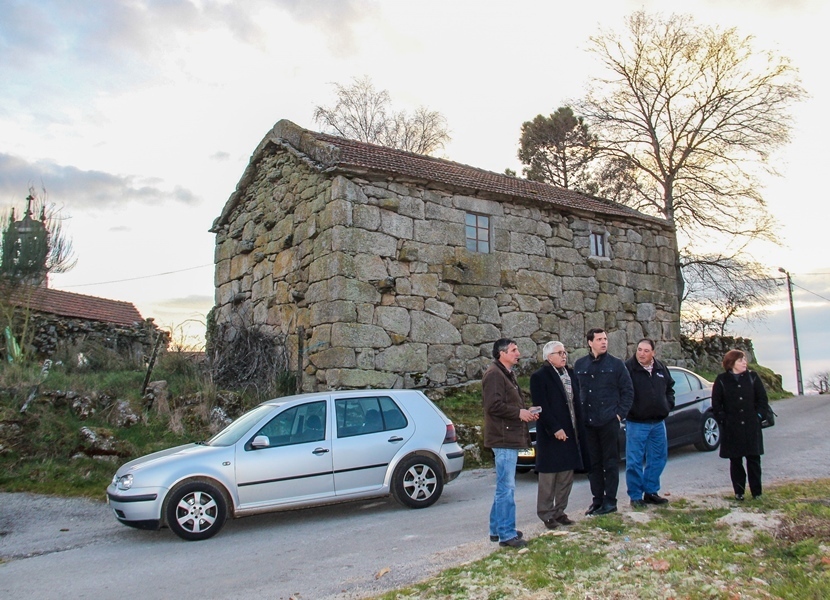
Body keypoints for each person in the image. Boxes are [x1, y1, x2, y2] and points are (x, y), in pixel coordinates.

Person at [482, 338, 539, 548]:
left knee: (503, 486)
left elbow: (506, 403)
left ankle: (497, 529)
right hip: (503, 438)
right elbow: (493, 406)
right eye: (514, 350)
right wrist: (519, 413)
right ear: (502, 353)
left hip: (508, 436)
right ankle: (507, 533)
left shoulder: (506, 374)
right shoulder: (494, 375)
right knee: (506, 487)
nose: (518, 353)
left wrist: (525, 411)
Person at [573, 328, 634, 515]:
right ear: (590, 342)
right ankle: (597, 500)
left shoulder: (616, 364)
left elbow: (628, 391)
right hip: (588, 423)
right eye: (599, 339)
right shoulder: (580, 364)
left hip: (608, 421)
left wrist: (619, 415)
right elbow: (576, 392)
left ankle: (611, 501)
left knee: (611, 463)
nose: (604, 342)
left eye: (605, 339)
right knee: (593, 464)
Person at [530, 341, 585, 529]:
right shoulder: (539, 377)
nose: (564, 356)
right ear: (548, 357)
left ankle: (559, 511)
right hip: (551, 433)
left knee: (566, 475)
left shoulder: (570, 374)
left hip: (571, 430)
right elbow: (541, 405)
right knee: (549, 476)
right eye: (559, 353)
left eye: (564, 352)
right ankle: (546, 513)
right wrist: (555, 428)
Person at [712, 349, 770, 500]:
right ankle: (739, 492)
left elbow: (762, 400)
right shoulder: (722, 380)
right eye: (740, 360)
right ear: (731, 363)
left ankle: (757, 493)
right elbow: (716, 404)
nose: (744, 362)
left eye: (744, 359)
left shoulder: (753, 377)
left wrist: (758, 416)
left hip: (751, 425)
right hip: (732, 427)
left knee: (753, 460)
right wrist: (723, 419)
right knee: (736, 460)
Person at [624, 338, 675, 507]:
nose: (642, 354)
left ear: (653, 352)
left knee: (658, 458)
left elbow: (669, 388)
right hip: (636, 423)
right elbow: (621, 392)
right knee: (634, 461)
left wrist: (668, 405)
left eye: (646, 351)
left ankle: (651, 491)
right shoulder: (628, 368)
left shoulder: (660, 368)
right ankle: (635, 496)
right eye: (639, 350)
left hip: (658, 423)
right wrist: (628, 410)